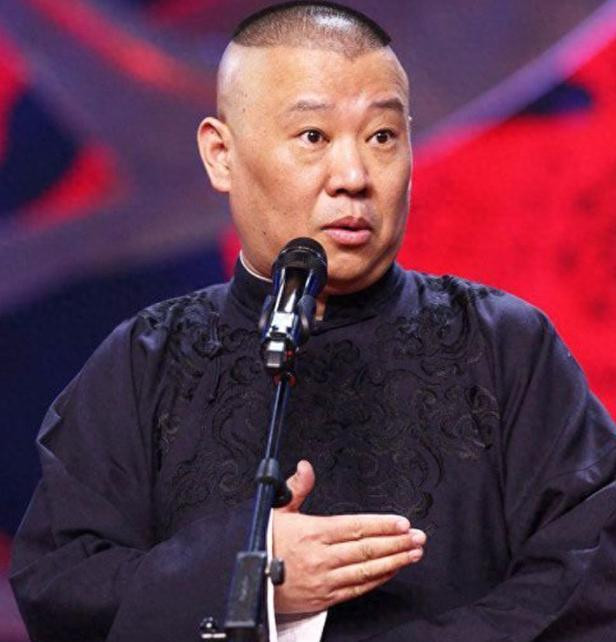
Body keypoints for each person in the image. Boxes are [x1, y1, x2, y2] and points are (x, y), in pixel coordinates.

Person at [10, 2, 616, 641]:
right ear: (222, 155)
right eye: (311, 139)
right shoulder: (147, 358)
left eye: (382, 138)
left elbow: (593, 570)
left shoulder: (508, 350)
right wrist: (242, 577)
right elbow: (58, 586)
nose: (352, 177)